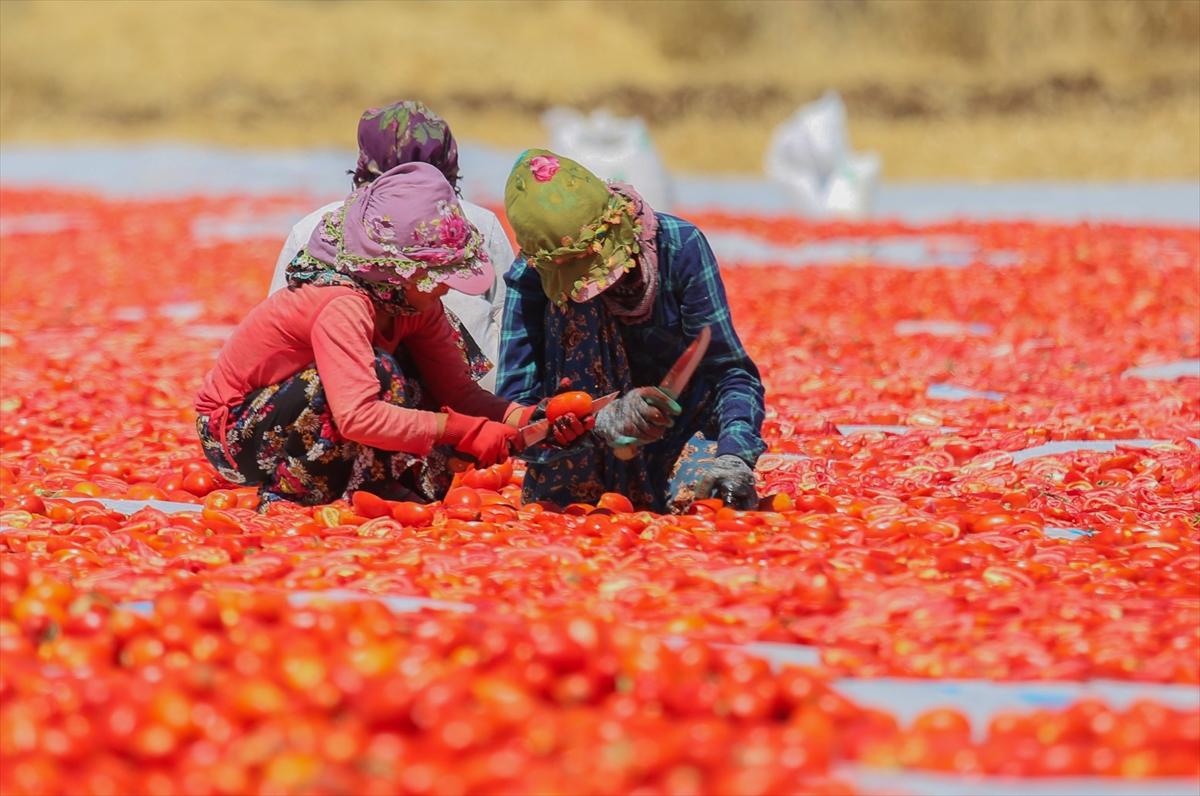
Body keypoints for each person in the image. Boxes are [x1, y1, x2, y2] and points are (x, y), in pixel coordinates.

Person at [197, 162, 581, 510]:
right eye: (436, 278)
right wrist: (461, 431)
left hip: (312, 416)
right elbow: (357, 416)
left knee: (413, 372)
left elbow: (458, 393)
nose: (445, 289)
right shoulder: (342, 303)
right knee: (379, 370)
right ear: (395, 272)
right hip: (237, 434)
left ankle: (380, 488)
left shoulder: (413, 305)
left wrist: (527, 418)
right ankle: (292, 495)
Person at [498, 149, 766, 512]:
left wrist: (735, 456)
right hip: (581, 457)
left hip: (682, 434)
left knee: (713, 507)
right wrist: (595, 420)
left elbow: (731, 374)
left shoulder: (680, 247)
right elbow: (513, 415)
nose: (603, 287)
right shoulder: (534, 278)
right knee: (573, 521)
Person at [269, 100, 514, 391]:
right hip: (390, 398)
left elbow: (278, 331)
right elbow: (509, 323)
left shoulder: (315, 226)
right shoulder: (477, 223)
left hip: (352, 392)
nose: (443, 287)